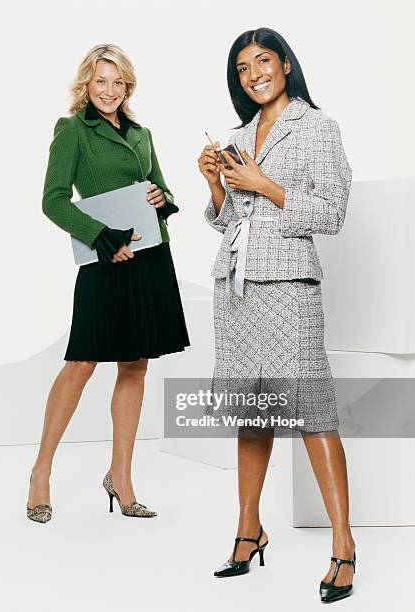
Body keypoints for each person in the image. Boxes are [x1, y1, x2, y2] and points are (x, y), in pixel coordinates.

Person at [198, 28, 355, 603]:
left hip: (289, 285)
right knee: (251, 411)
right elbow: (225, 220)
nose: (253, 73)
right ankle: (248, 530)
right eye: (242, 68)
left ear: (286, 64)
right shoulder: (238, 135)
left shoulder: (317, 127)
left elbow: (333, 212)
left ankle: (343, 544)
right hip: (237, 288)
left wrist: (266, 184)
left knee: (313, 411)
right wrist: (216, 185)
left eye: (263, 61)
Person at [26, 44, 189, 523]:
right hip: (103, 258)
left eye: (118, 82)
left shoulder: (142, 133)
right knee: (80, 363)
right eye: (101, 81)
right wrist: (100, 236)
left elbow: (160, 187)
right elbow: (53, 201)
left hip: (147, 258)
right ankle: (40, 472)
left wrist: (163, 197)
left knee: (136, 366)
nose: (110, 91)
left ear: (127, 86)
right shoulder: (72, 129)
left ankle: (121, 476)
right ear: (86, 83)